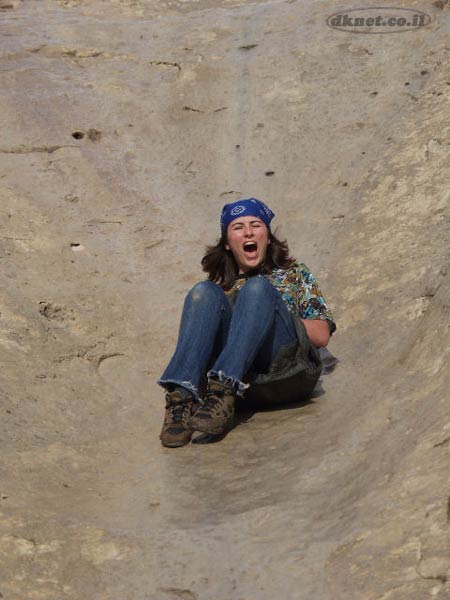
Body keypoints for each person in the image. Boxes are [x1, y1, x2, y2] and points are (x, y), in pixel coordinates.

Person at [157, 198, 336, 448]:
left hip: (288, 371)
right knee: (202, 291)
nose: (248, 232)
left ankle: (224, 386)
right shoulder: (219, 293)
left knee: (257, 288)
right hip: (243, 390)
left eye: (256, 225)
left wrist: (270, 312)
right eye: (238, 227)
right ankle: (181, 400)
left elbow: (321, 334)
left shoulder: (295, 273)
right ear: (227, 243)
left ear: (268, 237)